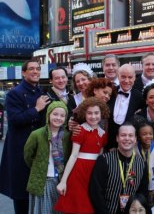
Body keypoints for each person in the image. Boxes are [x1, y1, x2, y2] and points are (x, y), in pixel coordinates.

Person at [0, 59, 50, 214]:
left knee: (37, 192)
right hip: (20, 149)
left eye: (38, 69)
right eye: (31, 69)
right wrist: (36, 109)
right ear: (23, 72)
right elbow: (15, 120)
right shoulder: (14, 93)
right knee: (21, 194)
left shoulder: (41, 92)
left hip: (38, 149)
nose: (35, 71)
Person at [54, 97, 109, 213]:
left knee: (93, 204)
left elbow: (101, 156)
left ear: (102, 113)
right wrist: (63, 181)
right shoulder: (81, 130)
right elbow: (73, 155)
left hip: (94, 172)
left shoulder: (103, 133)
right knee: (80, 206)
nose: (93, 116)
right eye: (89, 113)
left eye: (96, 113)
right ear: (84, 114)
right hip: (79, 172)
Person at [89, 123, 148, 213]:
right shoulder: (104, 160)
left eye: (130, 135)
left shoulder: (141, 163)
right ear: (117, 138)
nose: (127, 138)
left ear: (135, 139)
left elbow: (142, 192)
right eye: (123, 135)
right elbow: (96, 192)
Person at [24, 101, 71, 214]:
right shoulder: (37, 134)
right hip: (42, 181)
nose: (58, 118)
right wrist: (39, 167)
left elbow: (68, 156)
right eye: (55, 114)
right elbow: (28, 156)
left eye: (62, 115)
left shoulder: (67, 136)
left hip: (59, 181)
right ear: (48, 115)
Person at [107, 64, 145, 150]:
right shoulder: (110, 92)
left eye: (130, 77)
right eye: (123, 77)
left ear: (134, 78)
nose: (127, 80)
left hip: (129, 146)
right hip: (108, 144)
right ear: (118, 76)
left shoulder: (139, 97)